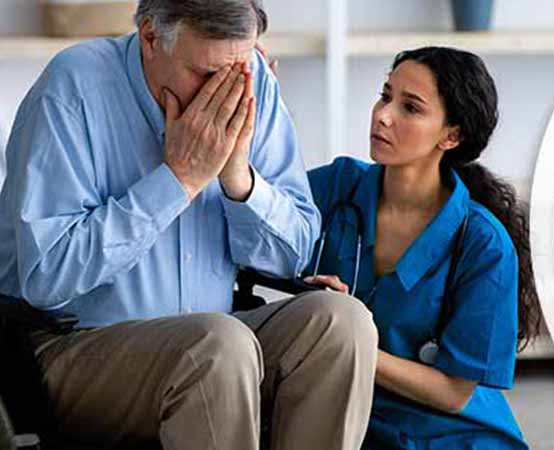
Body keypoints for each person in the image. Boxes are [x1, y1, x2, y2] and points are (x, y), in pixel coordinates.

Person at [0, 1, 377, 449]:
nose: (225, 92)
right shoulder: (73, 87)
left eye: (238, 69)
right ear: (150, 38)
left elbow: (293, 253)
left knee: (341, 323)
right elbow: (48, 277)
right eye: (204, 73)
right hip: (70, 350)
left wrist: (241, 181)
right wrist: (179, 180)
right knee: (216, 346)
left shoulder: (251, 81)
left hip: (218, 343)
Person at [303, 47, 541, 449]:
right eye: (385, 94)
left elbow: (453, 391)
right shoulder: (337, 186)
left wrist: (346, 339)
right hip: (347, 415)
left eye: (410, 108)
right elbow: (258, 220)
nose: (383, 114)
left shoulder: (484, 244)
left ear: (451, 136)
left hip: (451, 434)